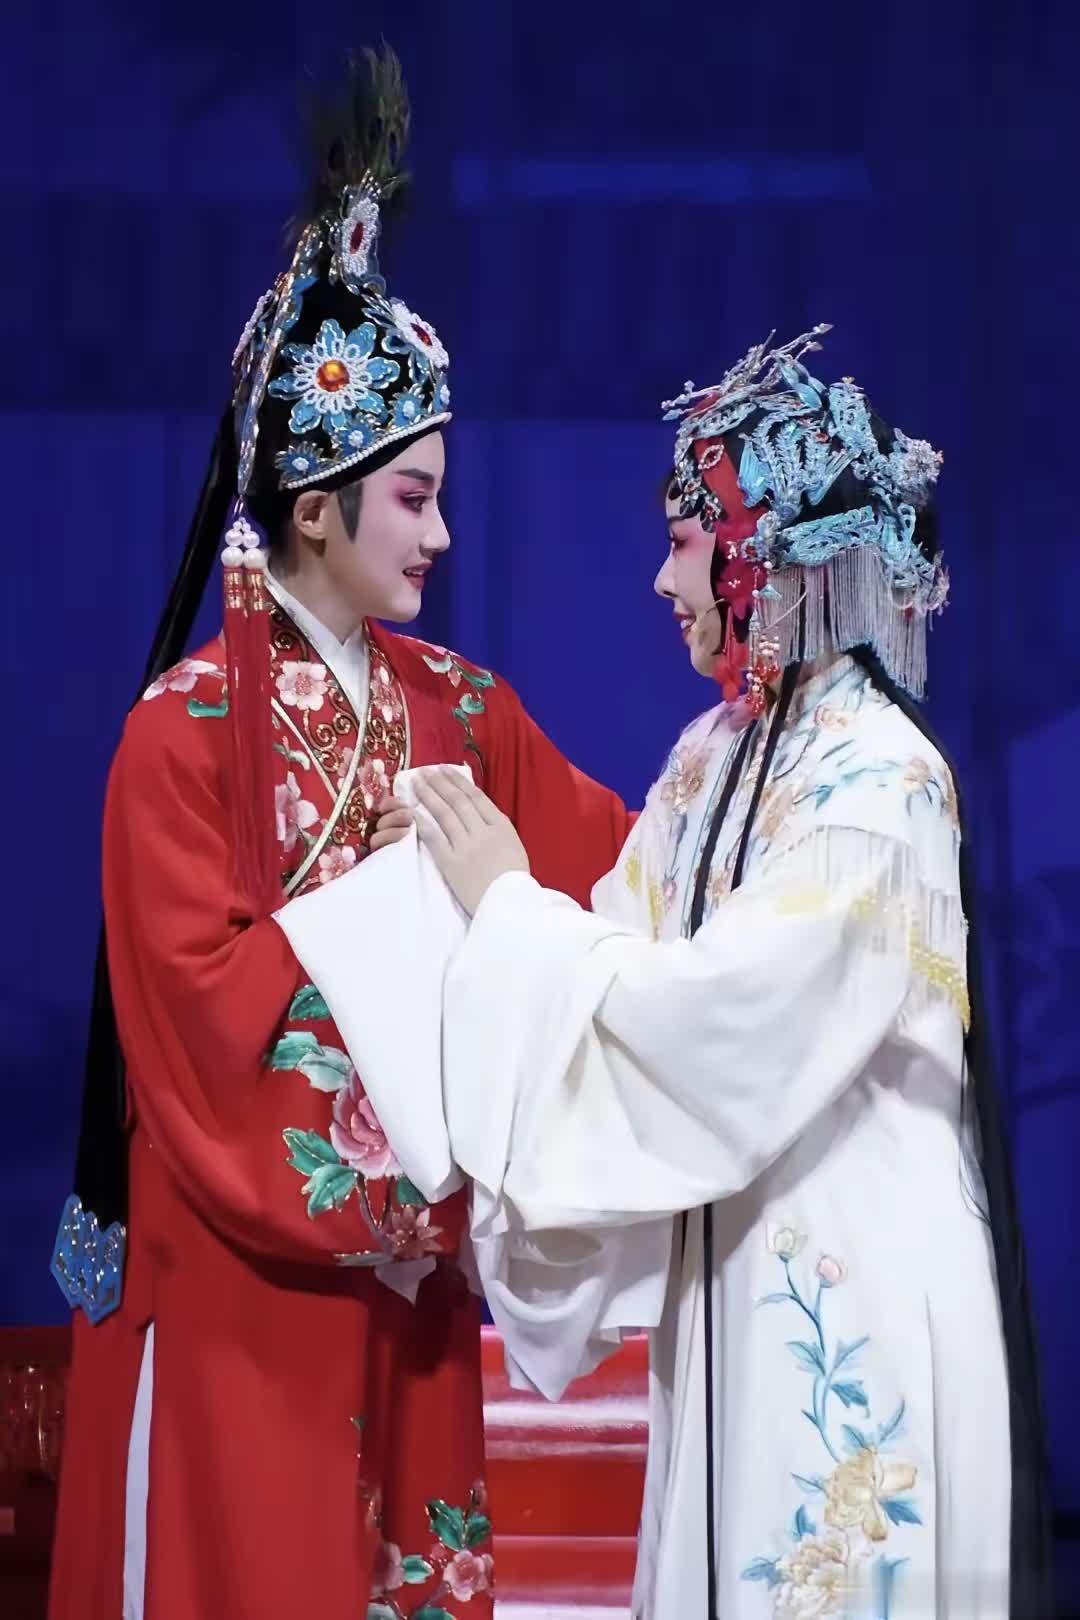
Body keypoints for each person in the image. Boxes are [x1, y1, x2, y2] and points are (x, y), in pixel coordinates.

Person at [47, 50, 631, 1620]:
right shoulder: (180, 735)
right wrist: (434, 1066)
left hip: (410, 1303)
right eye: (414, 498)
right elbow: (202, 1027)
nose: (443, 533)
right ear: (315, 508)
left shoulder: (468, 709)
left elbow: (614, 879)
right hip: (239, 1292)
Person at [369, 329, 1053, 1618]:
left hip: (854, 1276)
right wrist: (457, 901)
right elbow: (613, 963)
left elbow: (715, 1026)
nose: (662, 577)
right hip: (733, 1269)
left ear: (762, 559)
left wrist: (507, 904)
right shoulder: (711, 756)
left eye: (685, 543)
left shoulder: (880, 782)